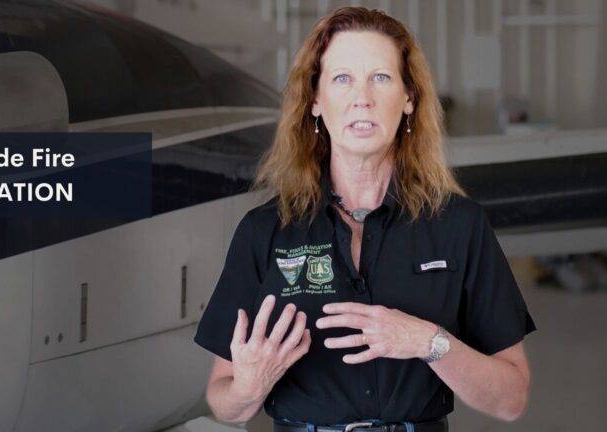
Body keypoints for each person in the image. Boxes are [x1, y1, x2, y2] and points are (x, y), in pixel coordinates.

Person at [193, 7, 536, 432]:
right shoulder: (264, 231)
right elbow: (223, 403)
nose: (363, 97)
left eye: (381, 77)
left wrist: (429, 343)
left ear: (409, 98)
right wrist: (248, 386)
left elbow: (511, 399)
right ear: (315, 101)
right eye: (342, 78)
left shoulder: (458, 226)